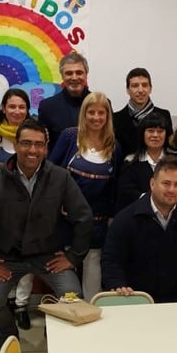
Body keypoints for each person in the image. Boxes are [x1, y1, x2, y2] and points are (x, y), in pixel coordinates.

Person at [0, 118, 93, 353]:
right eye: (26, 143)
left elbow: (84, 217)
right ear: (16, 144)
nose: (33, 150)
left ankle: (55, 335)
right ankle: (7, 333)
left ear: (46, 147)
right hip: (8, 257)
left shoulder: (60, 177)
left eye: (39, 144)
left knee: (73, 295)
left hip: (48, 256)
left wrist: (73, 257)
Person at [101, 155, 177, 331]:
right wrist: (118, 286)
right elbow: (111, 260)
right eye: (166, 183)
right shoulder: (126, 218)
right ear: (152, 184)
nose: (172, 190)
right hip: (141, 295)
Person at [49, 91, 122, 301]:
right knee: (65, 266)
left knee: (92, 269)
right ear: (84, 113)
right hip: (66, 219)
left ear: (108, 116)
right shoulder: (69, 136)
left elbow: (115, 186)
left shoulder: (114, 147)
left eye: (102, 113)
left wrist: (111, 216)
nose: (96, 117)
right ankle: (66, 311)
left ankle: (91, 312)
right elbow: (51, 174)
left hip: (97, 222)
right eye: (92, 112)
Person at [0, 88, 35, 329]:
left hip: (29, 208)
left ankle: (21, 304)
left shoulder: (37, 134)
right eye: (12, 106)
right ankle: (6, 300)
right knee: (4, 256)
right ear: (4, 108)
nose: (17, 111)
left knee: (27, 258)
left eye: (22, 107)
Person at [115, 110, 177, 213]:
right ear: (142, 134)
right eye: (150, 131)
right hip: (139, 216)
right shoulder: (130, 162)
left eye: (160, 131)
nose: (155, 135)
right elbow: (126, 194)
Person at [113, 67, 173, 159]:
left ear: (150, 89)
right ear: (127, 90)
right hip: (126, 171)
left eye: (144, 85)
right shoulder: (115, 119)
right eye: (135, 85)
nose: (140, 90)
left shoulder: (164, 115)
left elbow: (168, 149)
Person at [38, 52, 91, 152]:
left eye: (79, 73)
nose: (74, 77)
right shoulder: (47, 107)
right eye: (69, 73)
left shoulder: (101, 105)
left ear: (86, 75)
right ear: (62, 76)